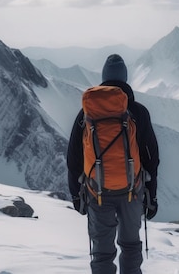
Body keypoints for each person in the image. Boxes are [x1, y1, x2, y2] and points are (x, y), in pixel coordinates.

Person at [67, 54, 160, 274]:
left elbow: (73, 160)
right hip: (132, 192)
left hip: (97, 193)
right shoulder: (138, 112)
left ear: (103, 78)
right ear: (125, 78)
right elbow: (151, 158)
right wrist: (151, 195)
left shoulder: (86, 114)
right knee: (130, 246)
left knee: (102, 253)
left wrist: (76, 196)